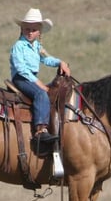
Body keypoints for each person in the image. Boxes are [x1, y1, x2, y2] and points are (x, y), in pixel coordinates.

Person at [9, 8, 71, 146]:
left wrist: (60, 62)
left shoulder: (36, 46)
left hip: (30, 77)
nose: (30, 32)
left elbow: (46, 59)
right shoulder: (19, 46)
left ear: (39, 31)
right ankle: (40, 131)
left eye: (33, 29)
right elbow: (21, 69)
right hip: (21, 78)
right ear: (22, 29)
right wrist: (38, 83)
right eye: (27, 29)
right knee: (41, 94)